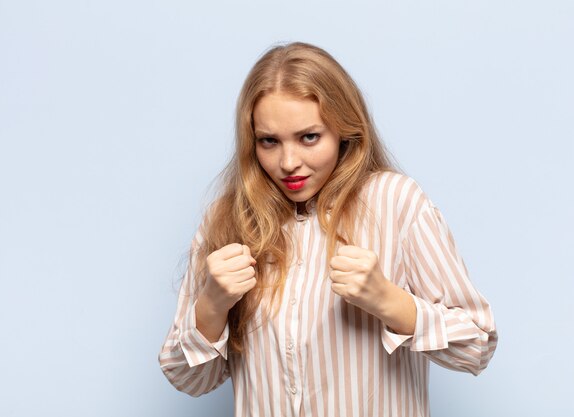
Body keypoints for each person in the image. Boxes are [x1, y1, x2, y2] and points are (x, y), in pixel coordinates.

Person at [158, 41, 497, 417]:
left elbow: (478, 346)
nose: (288, 163)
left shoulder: (395, 202)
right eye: (269, 141)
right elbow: (188, 380)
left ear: (344, 130)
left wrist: (389, 301)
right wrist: (212, 305)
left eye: (309, 137)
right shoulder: (227, 218)